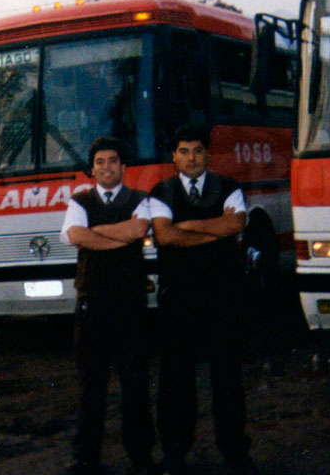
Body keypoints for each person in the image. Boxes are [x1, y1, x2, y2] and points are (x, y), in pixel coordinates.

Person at [149, 124, 257, 475]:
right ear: (174, 157)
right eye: (184, 151)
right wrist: (211, 227)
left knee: (227, 376)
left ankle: (235, 454)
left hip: (223, 297)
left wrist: (187, 227)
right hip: (178, 299)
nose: (191, 157)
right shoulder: (160, 191)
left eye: (197, 150)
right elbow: (165, 236)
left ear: (207, 154)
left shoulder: (229, 186)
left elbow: (236, 224)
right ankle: (175, 455)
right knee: (176, 380)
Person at [59, 136, 156, 475]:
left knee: (135, 382)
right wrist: (120, 234)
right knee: (91, 384)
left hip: (130, 302)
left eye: (113, 160)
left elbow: (139, 229)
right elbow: (76, 235)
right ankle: (86, 458)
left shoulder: (141, 199)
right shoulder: (79, 201)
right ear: (92, 169)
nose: (106, 167)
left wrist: (97, 232)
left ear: (124, 166)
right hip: (92, 303)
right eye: (100, 162)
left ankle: (141, 458)